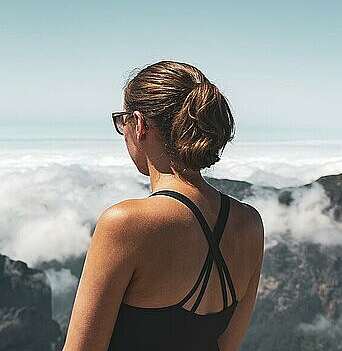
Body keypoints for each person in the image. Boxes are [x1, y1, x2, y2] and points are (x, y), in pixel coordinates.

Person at [61, 61, 265, 351]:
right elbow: (227, 346)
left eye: (123, 122)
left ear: (139, 124)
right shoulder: (249, 223)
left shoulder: (125, 223)